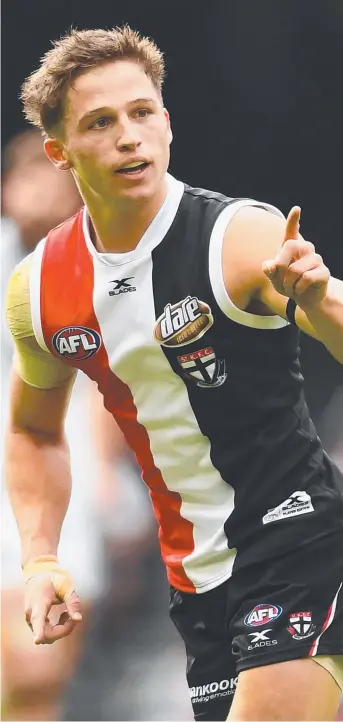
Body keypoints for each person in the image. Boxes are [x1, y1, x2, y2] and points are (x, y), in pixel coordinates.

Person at [4, 25, 343, 722]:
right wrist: (40, 560)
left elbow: (328, 318)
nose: (129, 136)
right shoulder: (37, 291)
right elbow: (33, 431)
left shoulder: (238, 236)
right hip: (194, 577)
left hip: (296, 539)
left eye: (142, 112)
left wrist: (315, 299)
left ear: (166, 121)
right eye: (100, 122)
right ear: (59, 152)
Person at [1, 129, 105, 721]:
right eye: (28, 178)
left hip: (68, 483)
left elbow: (103, 386)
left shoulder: (93, 270)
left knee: (45, 666)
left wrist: (115, 486)